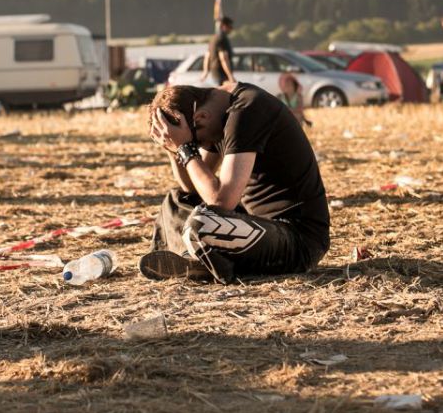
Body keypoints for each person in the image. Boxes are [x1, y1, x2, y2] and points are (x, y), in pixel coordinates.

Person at [141, 81, 330, 284]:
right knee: (176, 199)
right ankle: (197, 260)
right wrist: (173, 149)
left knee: (202, 224)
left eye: (198, 143)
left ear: (201, 118)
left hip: (298, 240)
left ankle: (201, 263)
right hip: (256, 226)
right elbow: (192, 187)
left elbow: (221, 202)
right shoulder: (218, 113)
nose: (200, 147)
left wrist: (185, 148)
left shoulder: (246, 111)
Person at [201, 17, 236, 86]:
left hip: (215, 74)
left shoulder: (213, 38)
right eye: (230, 27)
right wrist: (230, 76)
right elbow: (223, 58)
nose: (231, 29)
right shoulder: (222, 38)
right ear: (224, 26)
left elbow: (207, 56)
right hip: (222, 75)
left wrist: (205, 71)